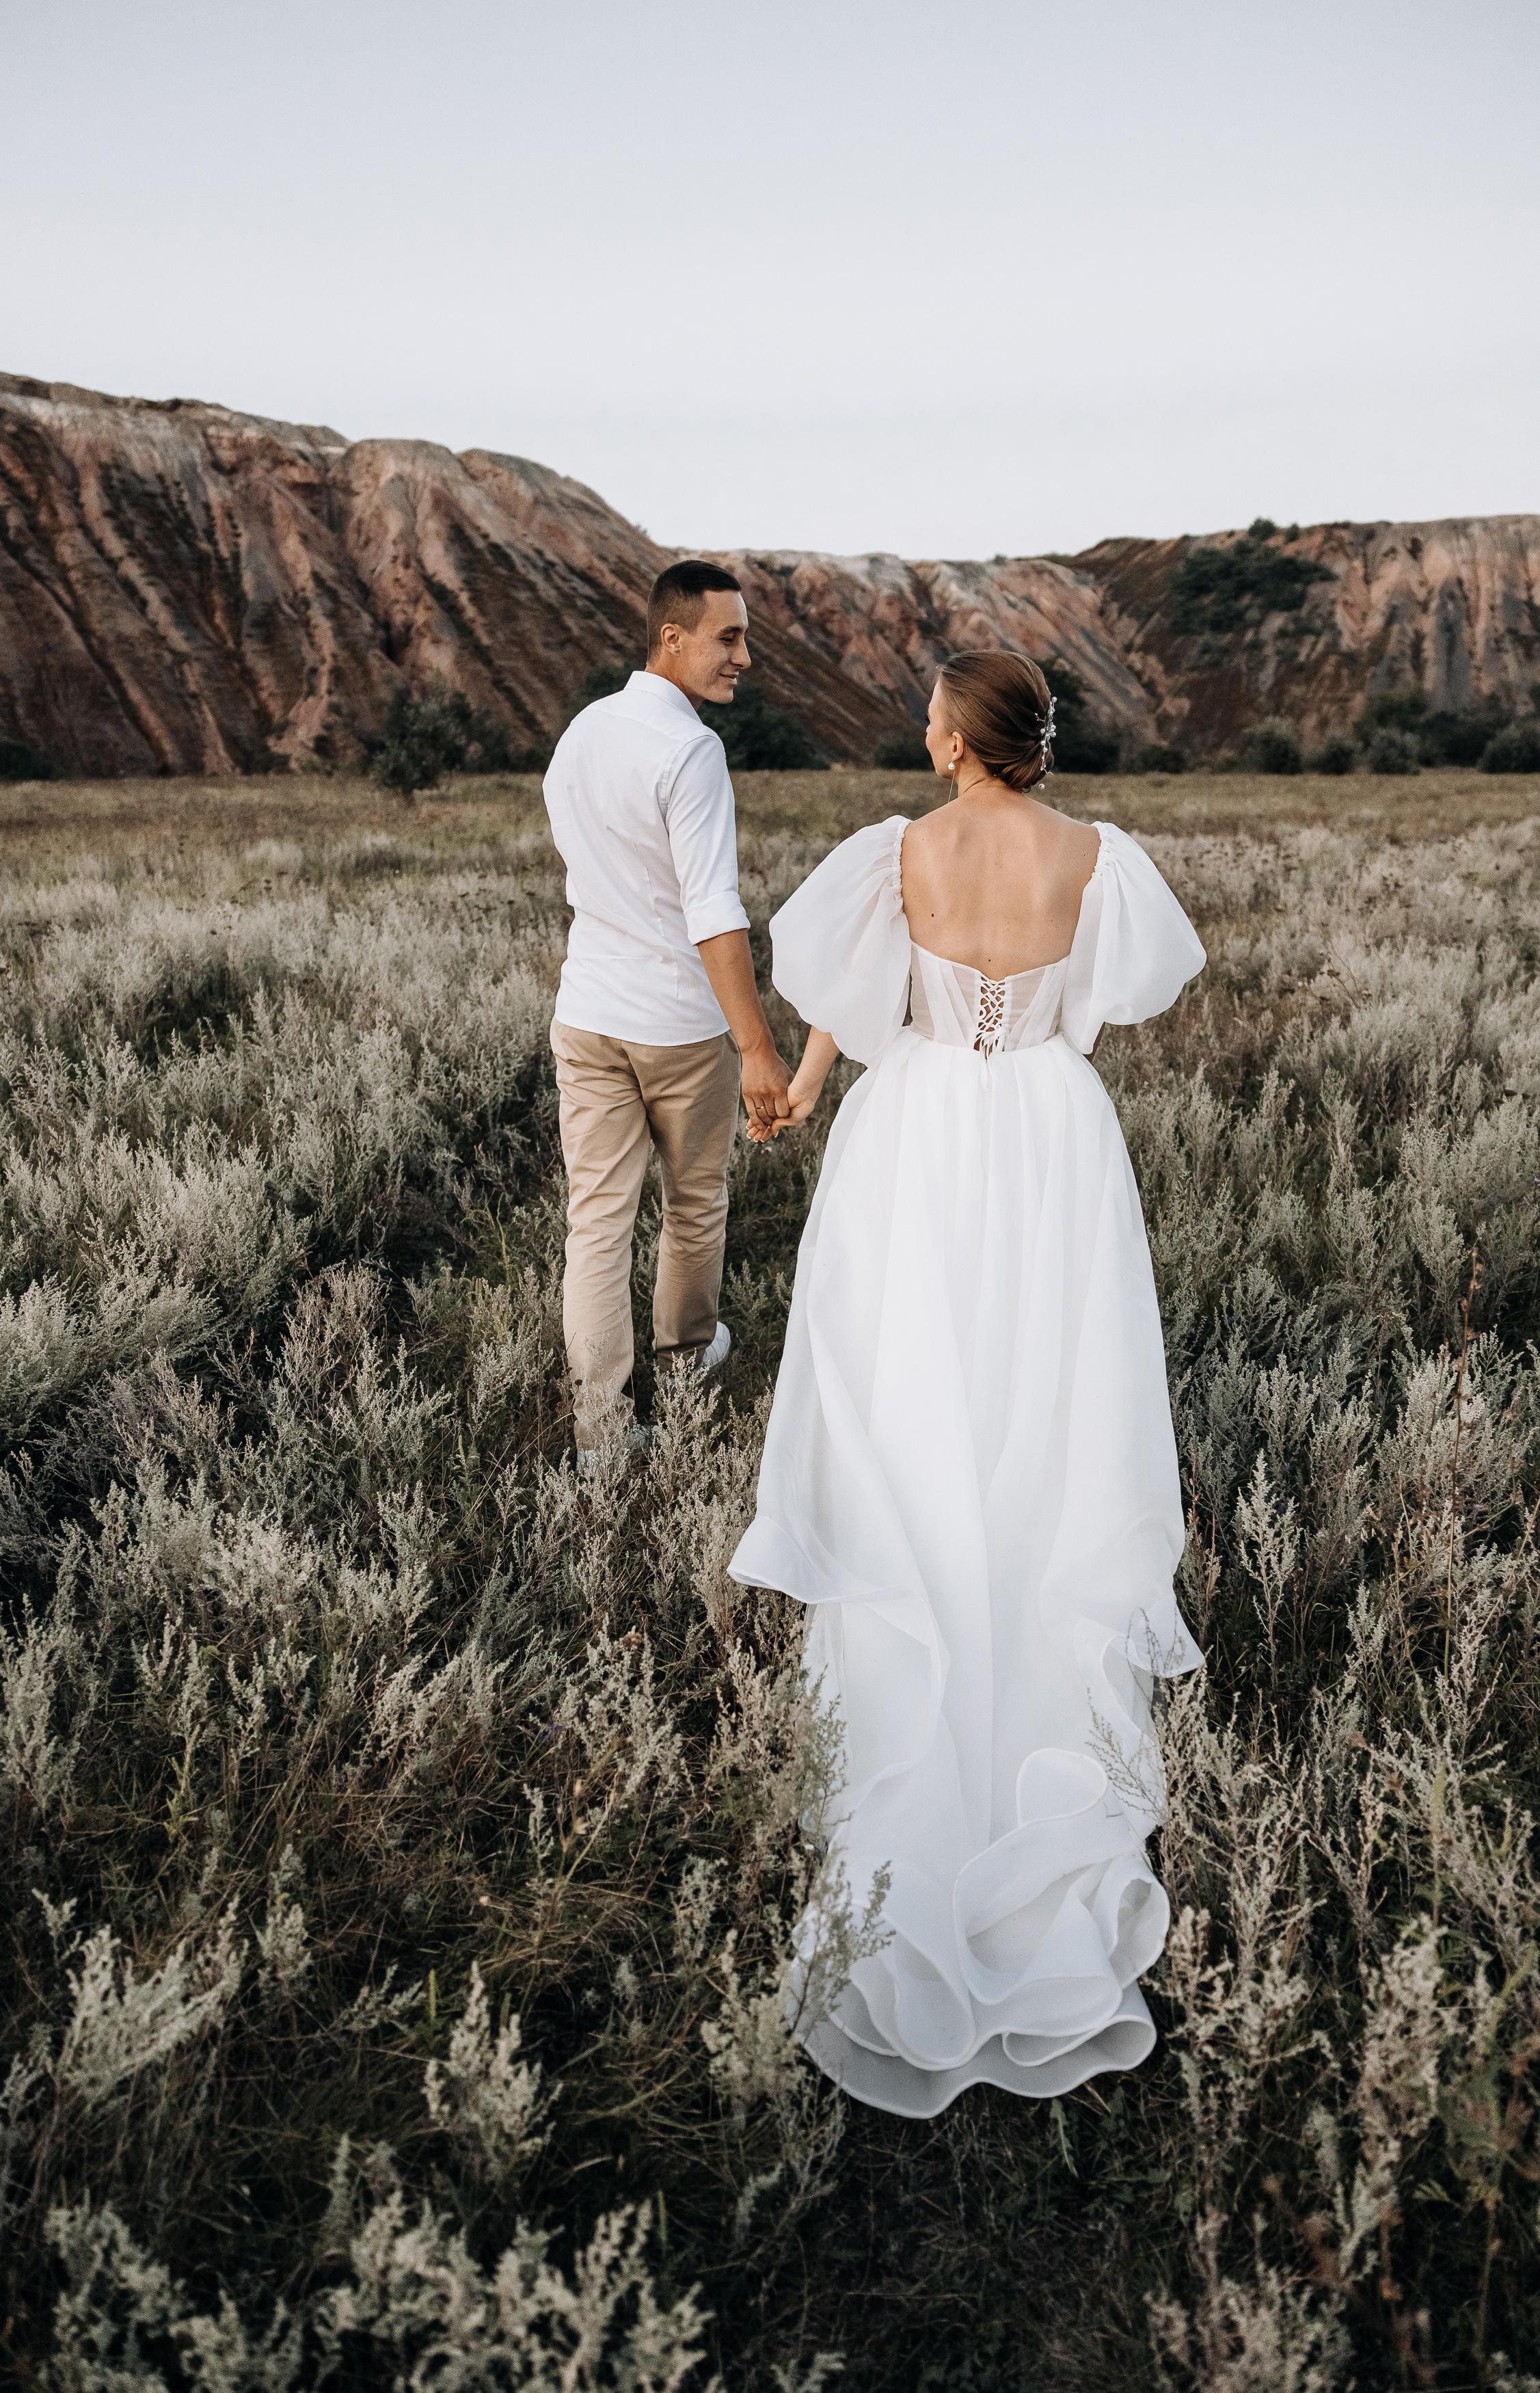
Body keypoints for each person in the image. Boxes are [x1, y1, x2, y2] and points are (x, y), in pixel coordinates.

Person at [730, 649, 1207, 2117]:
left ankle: (919, 1672)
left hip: (923, 1140)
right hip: (1054, 1141)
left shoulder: (897, 851)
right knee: (1045, 1410)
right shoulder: (1099, 858)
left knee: (910, 1408)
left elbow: (861, 1004)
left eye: (933, 711)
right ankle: (1041, 1692)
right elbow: (1118, 1004)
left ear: (954, 739)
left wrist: (803, 1090)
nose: (922, 727)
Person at [543, 560, 792, 1465]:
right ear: (671, 638)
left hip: (588, 1012)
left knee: (597, 1222)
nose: (744, 656)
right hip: (680, 1029)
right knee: (694, 1203)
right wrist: (757, 1050)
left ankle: (601, 1435)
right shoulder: (689, 751)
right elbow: (713, 912)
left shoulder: (581, 734)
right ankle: (684, 1367)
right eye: (728, 638)